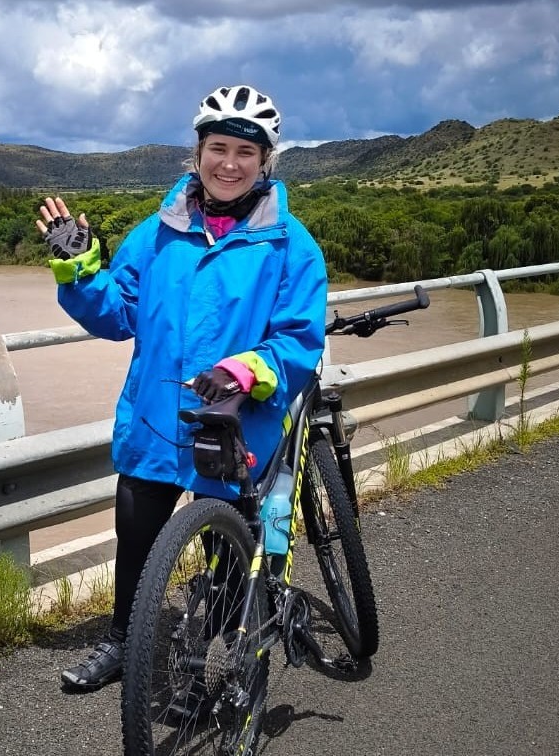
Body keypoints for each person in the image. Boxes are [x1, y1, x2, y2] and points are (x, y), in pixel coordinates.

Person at [36, 84, 328, 691]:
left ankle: (221, 656)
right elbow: (118, 316)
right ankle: (122, 642)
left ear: (266, 161)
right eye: (217, 147)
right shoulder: (157, 232)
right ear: (196, 153)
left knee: (225, 562)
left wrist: (245, 370)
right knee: (137, 545)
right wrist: (81, 267)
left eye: (246, 152)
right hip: (156, 420)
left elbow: (299, 341)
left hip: (235, 428)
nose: (229, 163)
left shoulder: (291, 247)